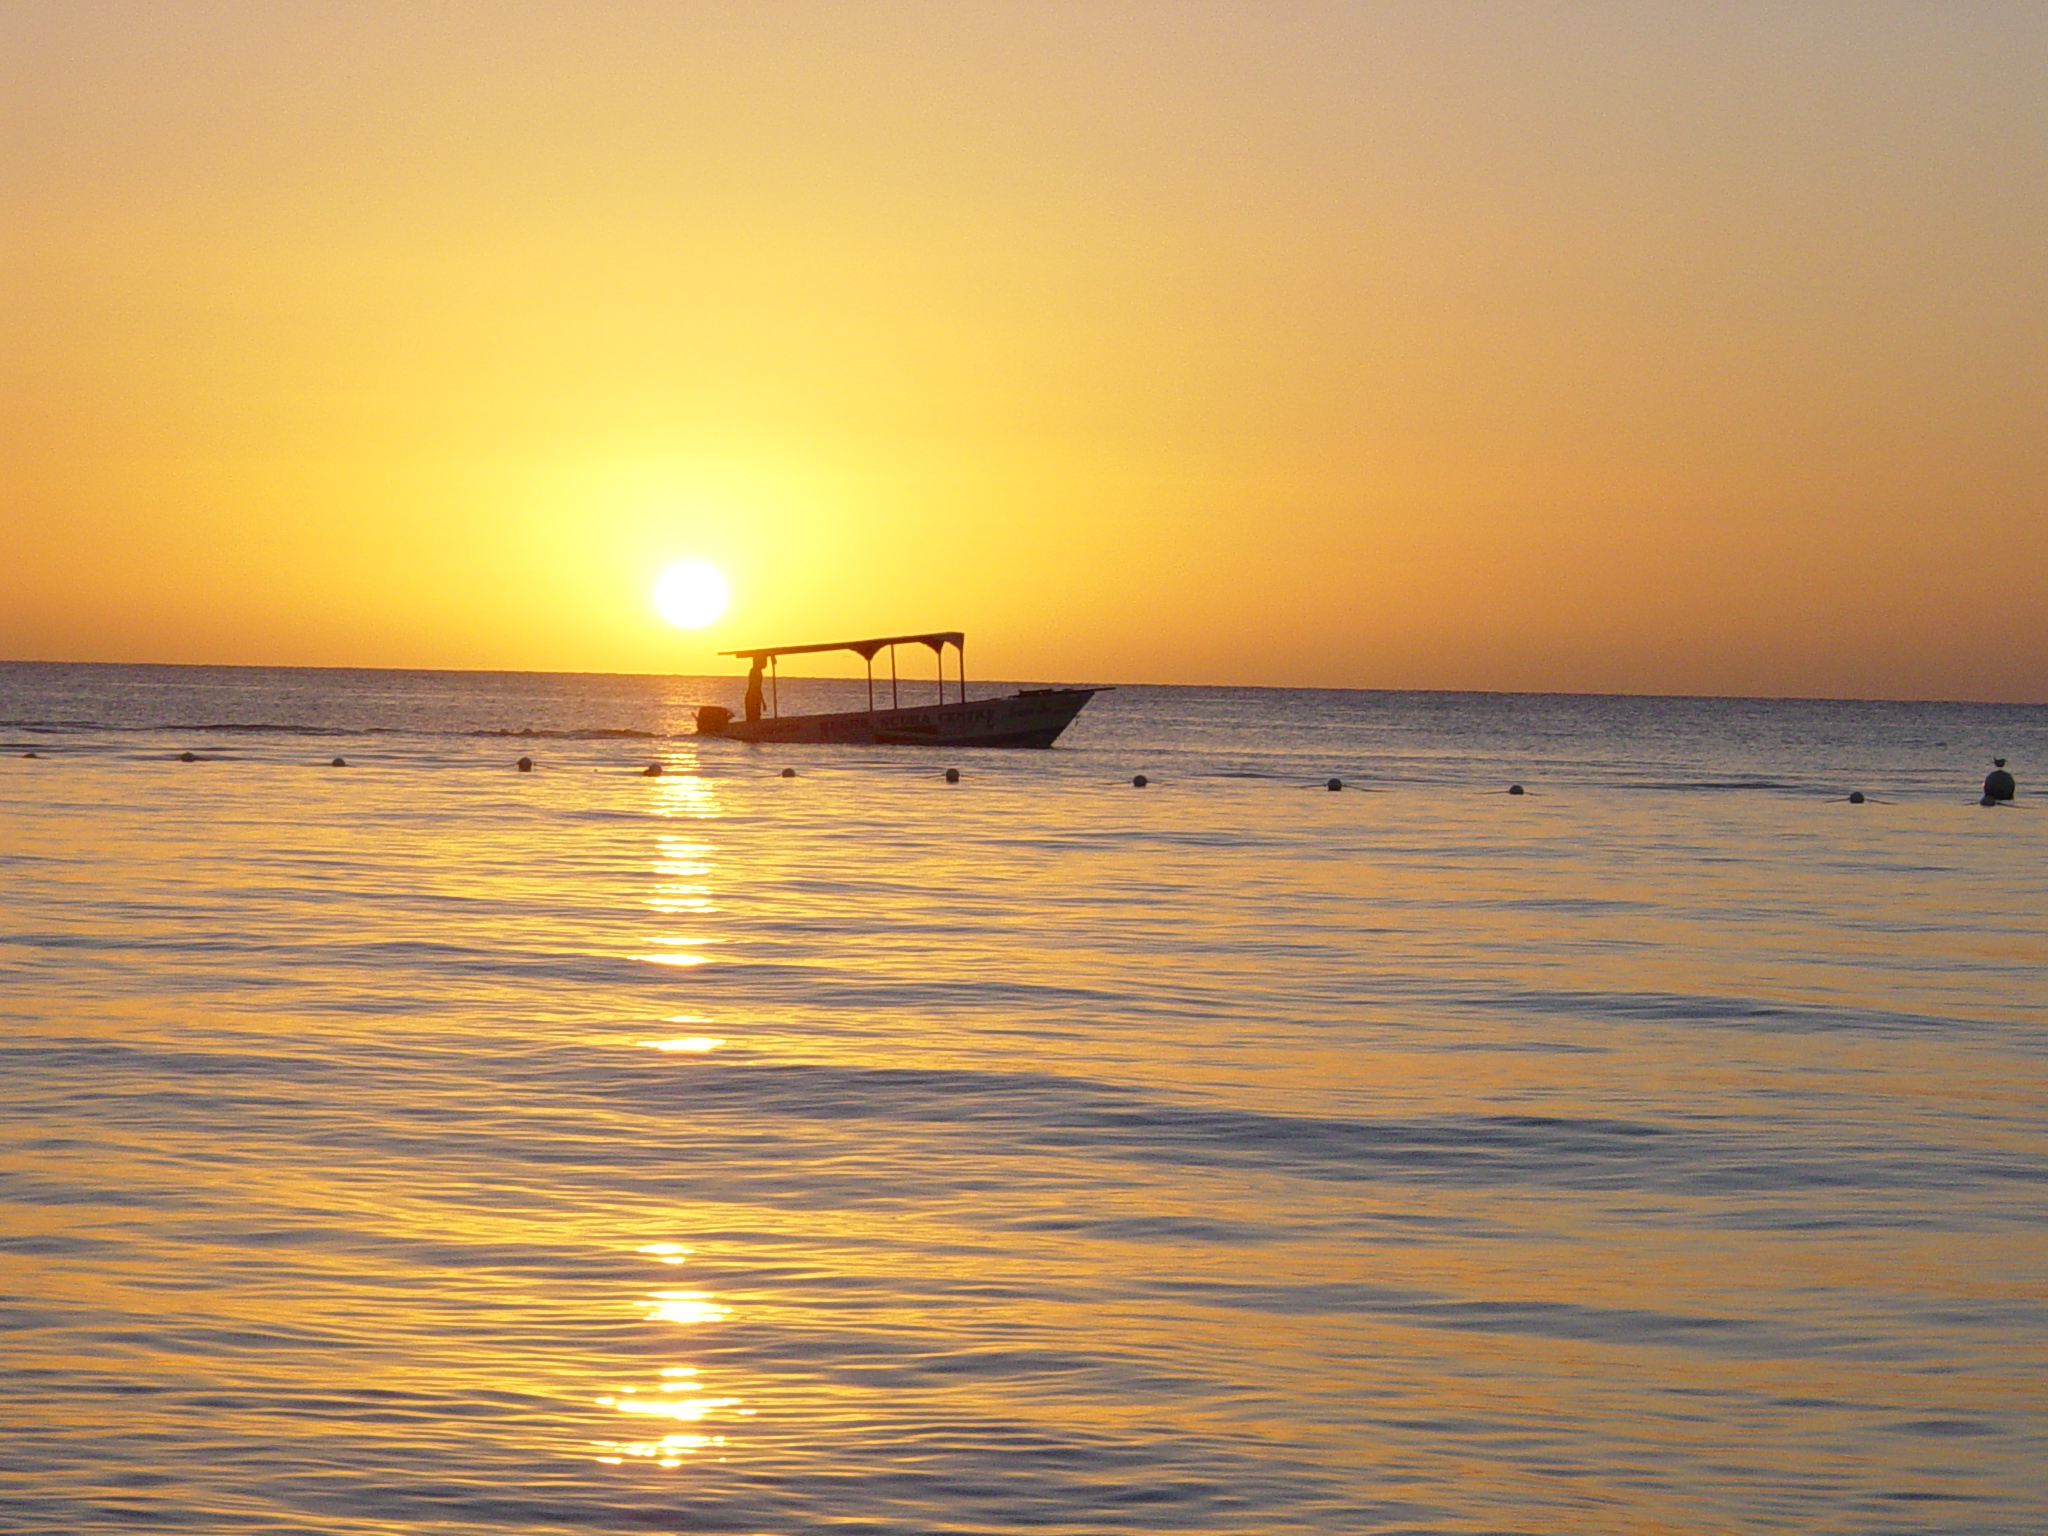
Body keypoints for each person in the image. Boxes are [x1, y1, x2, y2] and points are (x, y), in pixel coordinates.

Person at [744, 659, 765, 723]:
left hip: (754, 696)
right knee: (752, 717)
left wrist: (762, 701)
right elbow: (755, 686)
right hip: (752, 697)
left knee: (754, 717)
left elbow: (758, 688)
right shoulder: (755, 671)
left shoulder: (757, 671)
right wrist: (762, 701)